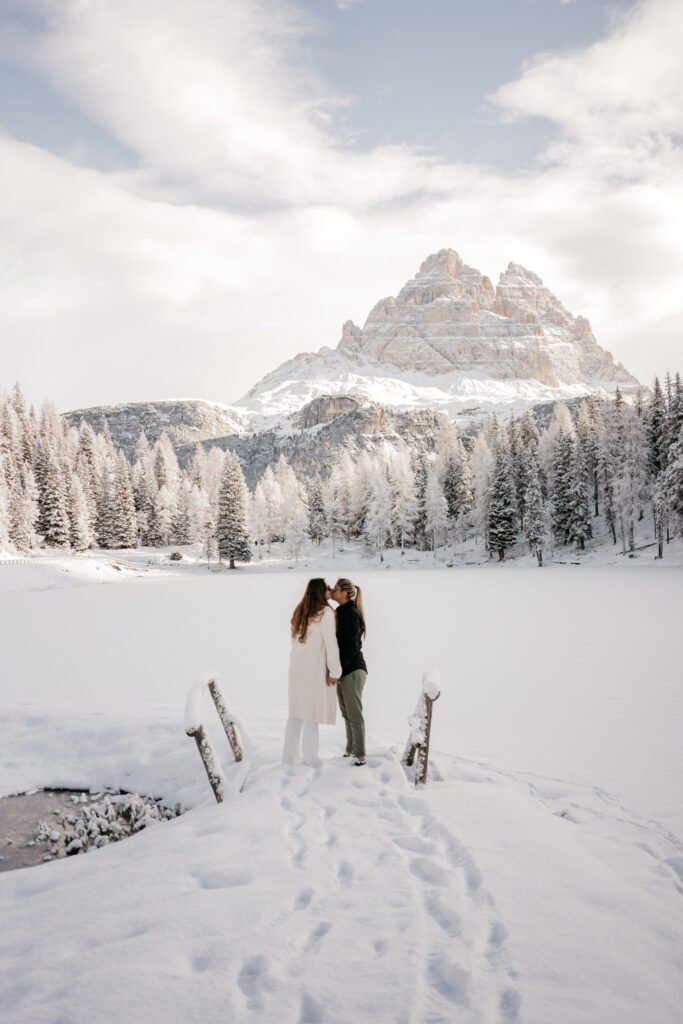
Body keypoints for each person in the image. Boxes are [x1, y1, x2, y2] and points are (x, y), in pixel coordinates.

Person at [282, 578, 342, 768]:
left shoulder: (300, 611)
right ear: (319, 592)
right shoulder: (324, 613)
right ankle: (311, 757)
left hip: (296, 668)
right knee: (311, 714)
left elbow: (294, 641)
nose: (329, 591)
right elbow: (331, 644)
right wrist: (335, 671)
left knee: (296, 713)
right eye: (326, 588)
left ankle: (289, 757)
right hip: (313, 670)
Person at [329, 578, 367, 766]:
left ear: (344, 592)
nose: (333, 591)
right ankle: (350, 749)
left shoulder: (351, 613)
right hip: (344, 670)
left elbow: (353, 646)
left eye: (335, 588)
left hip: (353, 670)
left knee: (354, 714)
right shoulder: (341, 612)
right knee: (346, 713)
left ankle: (359, 755)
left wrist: (338, 669)